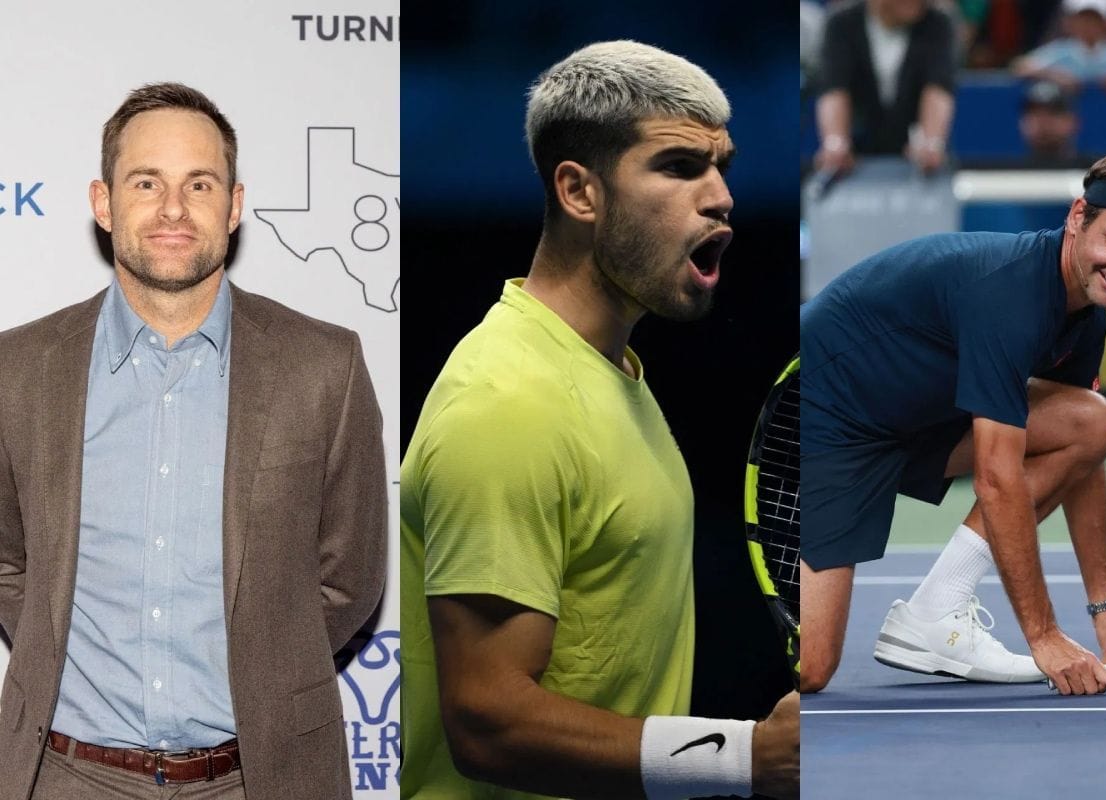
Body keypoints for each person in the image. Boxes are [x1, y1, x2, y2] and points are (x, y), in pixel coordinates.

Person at [399, 40, 799, 800]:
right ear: (580, 193)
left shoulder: (610, 374)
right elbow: (487, 719)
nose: (721, 196)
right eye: (680, 167)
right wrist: (742, 757)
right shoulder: (508, 402)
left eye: (722, 167)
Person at [0, 83, 388, 799]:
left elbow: (349, 580)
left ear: (234, 206)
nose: (173, 209)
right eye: (146, 182)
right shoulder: (17, 369)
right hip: (64, 776)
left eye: (199, 184)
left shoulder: (324, 365)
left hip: (259, 779)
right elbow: (6, 560)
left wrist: (266, 668)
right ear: (103, 202)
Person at [798, 149, 1106, 695]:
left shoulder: (1086, 317)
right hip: (827, 420)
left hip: (916, 418)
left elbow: (1085, 460)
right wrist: (1045, 635)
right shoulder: (1010, 294)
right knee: (811, 669)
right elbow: (996, 478)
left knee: (1092, 425)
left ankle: (938, 609)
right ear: (1078, 217)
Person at [814, 0, 957, 176]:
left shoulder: (938, 24)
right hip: (856, 166)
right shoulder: (841, 23)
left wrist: (932, 141)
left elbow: (938, 88)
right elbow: (834, 89)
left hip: (918, 169)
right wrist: (835, 142)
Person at [1017, 79, 1095, 168]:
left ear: (1074, 121)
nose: (1044, 121)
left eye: (1053, 113)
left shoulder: (1098, 175)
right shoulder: (1006, 175)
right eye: (1034, 114)